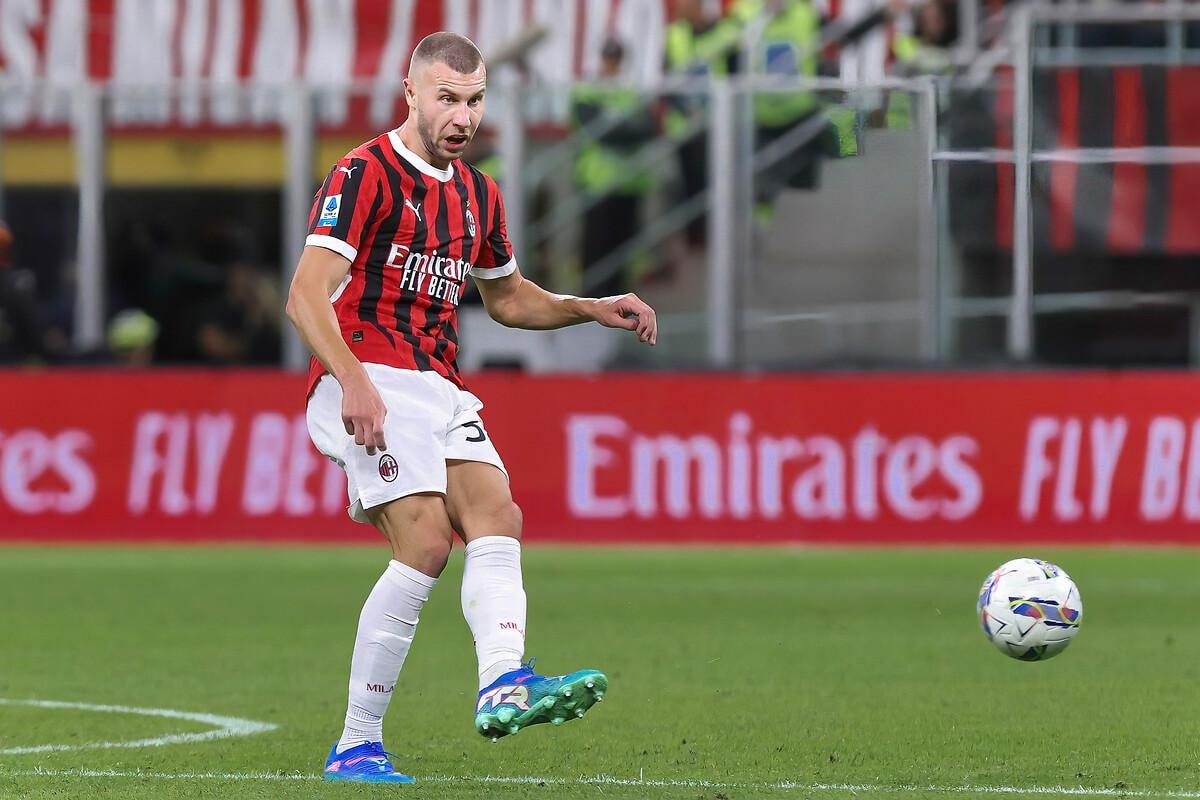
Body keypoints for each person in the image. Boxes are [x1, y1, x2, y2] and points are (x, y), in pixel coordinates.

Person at [285, 32, 658, 784]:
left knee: (497, 513)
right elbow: (304, 294)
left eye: (475, 100)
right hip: (367, 373)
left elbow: (508, 297)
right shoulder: (364, 173)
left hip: (438, 381)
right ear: (411, 93)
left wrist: (588, 307)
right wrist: (352, 380)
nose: (463, 116)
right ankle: (356, 743)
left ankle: (503, 682)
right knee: (425, 542)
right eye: (448, 99)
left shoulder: (478, 194)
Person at [571, 37, 657, 297]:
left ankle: (618, 303)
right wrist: (626, 132)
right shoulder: (588, 90)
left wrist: (621, 132)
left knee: (623, 251)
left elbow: (649, 128)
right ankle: (591, 303)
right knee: (596, 250)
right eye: (608, 58)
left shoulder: (631, 91)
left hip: (630, 183)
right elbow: (601, 133)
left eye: (615, 58)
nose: (611, 64)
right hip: (597, 182)